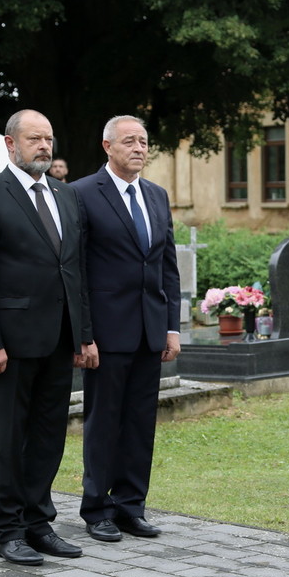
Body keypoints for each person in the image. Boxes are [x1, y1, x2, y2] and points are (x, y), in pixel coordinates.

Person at [0, 109, 98, 566]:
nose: (44, 146)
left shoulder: (65, 195)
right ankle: (8, 529)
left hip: (58, 340)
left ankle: (39, 523)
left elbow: (74, 271)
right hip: (11, 344)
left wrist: (84, 337)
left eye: (49, 139)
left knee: (47, 435)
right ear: (10, 144)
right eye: (34, 138)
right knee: (9, 438)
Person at [74, 114, 181, 542]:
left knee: (140, 422)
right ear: (108, 146)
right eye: (129, 141)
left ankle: (130, 505)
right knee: (104, 422)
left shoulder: (157, 196)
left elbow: (166, 267)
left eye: (143, 141)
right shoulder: (81, 194)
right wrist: (84, 334)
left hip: (149, 330)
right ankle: (97, 507)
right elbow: (76, 271)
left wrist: (172, 326)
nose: (139, 148)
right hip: (106, 332)